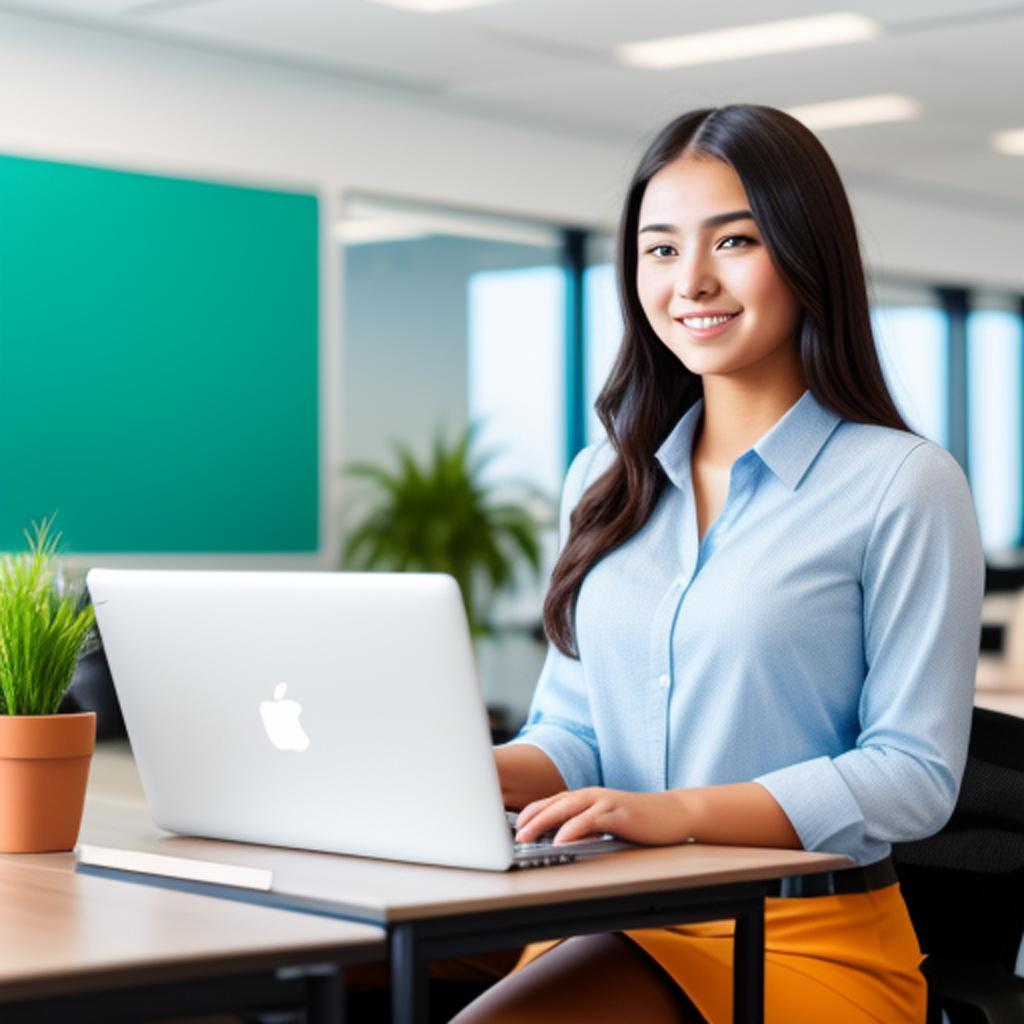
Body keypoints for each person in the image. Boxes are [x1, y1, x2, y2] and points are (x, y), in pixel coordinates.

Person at [453, 104, 985, 1023]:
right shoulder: (604, 479)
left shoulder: (904, 482)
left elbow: (914, 775)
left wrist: (684, 811)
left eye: (732, 241)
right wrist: (466, 768)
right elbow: (575, 734)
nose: (691, 280)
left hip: (805, 942)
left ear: (806, 254)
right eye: (659, 250)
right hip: (610, 917)